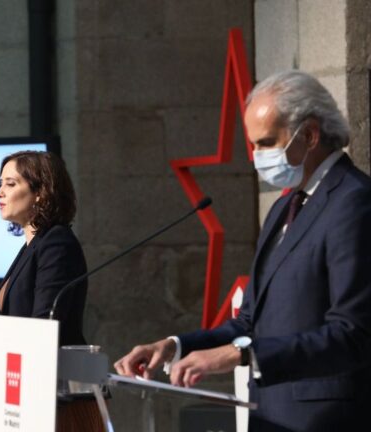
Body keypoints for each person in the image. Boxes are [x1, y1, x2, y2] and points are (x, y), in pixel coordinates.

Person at [114, 70, 371, 431]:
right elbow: (250, 322)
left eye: (266, 142)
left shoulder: (354, 203)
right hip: (269, 416)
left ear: (310, 134)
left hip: (325, 420)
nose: (257, 157)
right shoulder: (285, 207)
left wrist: (243, 354)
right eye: (253, 145)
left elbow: (353, 334)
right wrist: (174, 347)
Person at [0, 151, 98, 431]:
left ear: (41, 192)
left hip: (55, 396)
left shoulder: (57, 243)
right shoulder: (32, 246)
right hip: (22, 390)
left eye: (10, 184)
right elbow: (19, 324)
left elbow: (43, 325)